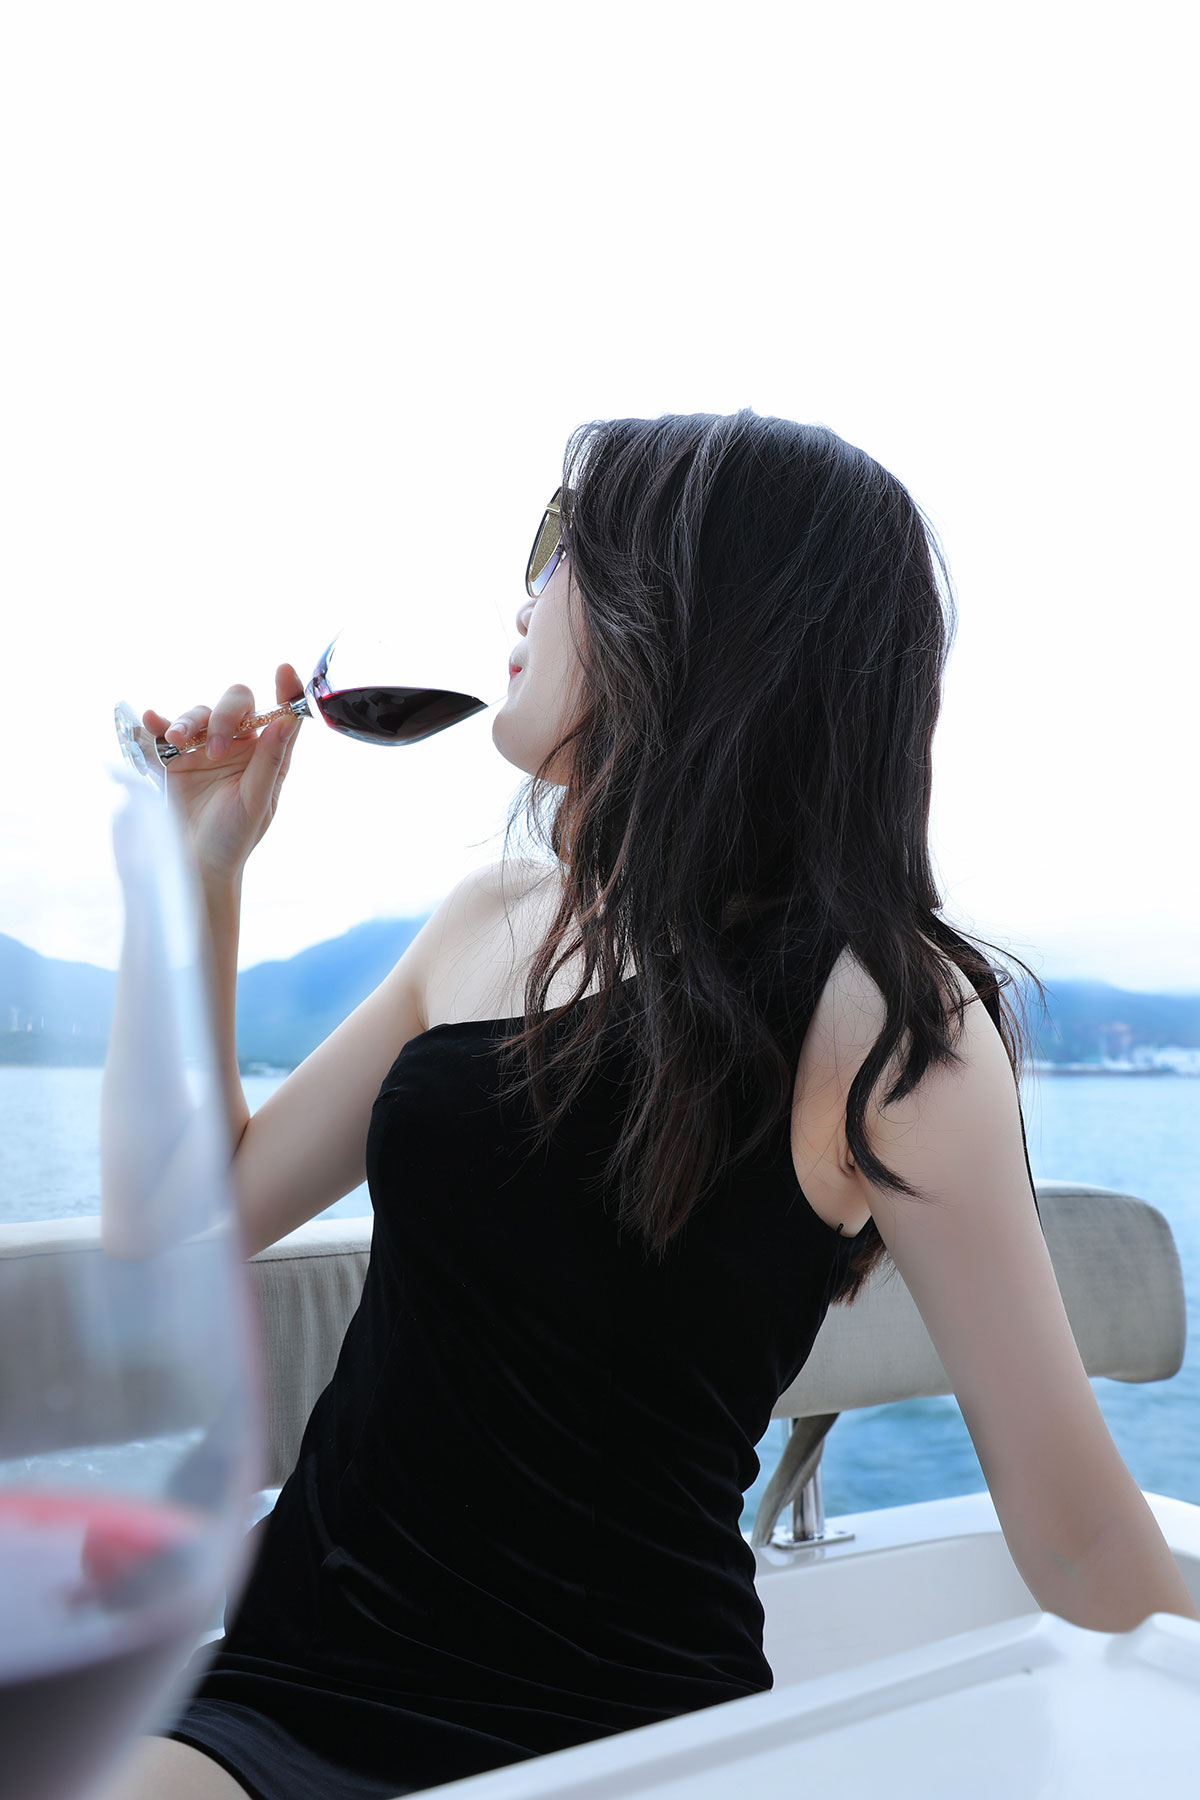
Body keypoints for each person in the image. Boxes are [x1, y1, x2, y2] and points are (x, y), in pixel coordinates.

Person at [113, 410, 1198, 1800]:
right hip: (288, 1683)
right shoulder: (486, 920)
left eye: (562, 544)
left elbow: (1076, 1537)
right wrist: (199, 872)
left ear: (696, 609)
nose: (523, 595)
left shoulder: (879, 1014)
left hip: (617, 1738)